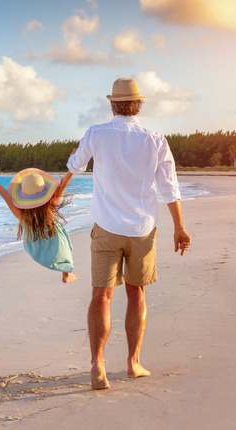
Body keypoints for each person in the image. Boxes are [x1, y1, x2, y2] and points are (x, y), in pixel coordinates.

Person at [67, 78, 191, 390]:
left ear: (112, 105)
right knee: (136, 292)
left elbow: (75, 165)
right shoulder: (154, 138)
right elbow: (168, 187)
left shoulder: (96, 133)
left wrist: (74, 154)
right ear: (138, 105)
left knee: (101, 294)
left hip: (107, 227)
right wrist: (180, 227)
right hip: (142, 229)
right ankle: (133, 363)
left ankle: (97, 364)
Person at [0, 166, 79, 283]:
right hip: (56, 245)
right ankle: (66, 274)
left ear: (23, 194)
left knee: (64, 245)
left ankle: (66, 273)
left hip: (36, 250)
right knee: (66, 249)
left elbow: (3, 193)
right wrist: (74, 166)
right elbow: (63, 184)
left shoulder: (22, 215)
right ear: (45, 192)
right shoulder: (50, 207)